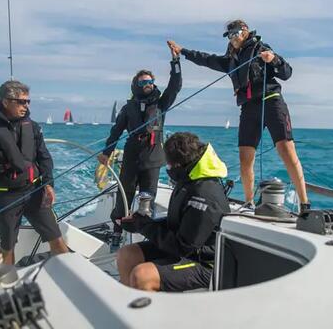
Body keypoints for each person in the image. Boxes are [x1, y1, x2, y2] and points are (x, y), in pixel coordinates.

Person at [167, 19, 310, 210]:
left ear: (245, 31)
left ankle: (304, 203)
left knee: (287, 151)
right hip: (249, 107)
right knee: (245, 156)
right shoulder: (230, 60)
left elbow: (287, 73)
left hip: (272, 101)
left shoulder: (260, 48)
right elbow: (206, 59)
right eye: (230, 36)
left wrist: (273, 59)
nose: (233, 38)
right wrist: (183, 51)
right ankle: (249, 201)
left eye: (235, 34)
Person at [0, 80, 68, 265]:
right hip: (6, 197)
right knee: (8, 247)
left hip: (35, 191)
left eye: (28, 101)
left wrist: (48, 184)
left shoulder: (32, 127)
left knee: (56, 238)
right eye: (21, 102)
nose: (26, 106)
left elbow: (44, 157)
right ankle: (9, 284)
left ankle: (70, 275)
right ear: (5, 102)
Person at [116, 132, 230, 292]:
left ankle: (146, 314)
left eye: (168, 165)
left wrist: (145, 227)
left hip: (207, 263)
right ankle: (127, 304)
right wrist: (139, 223)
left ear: (178, 165)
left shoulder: (204, 194)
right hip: (185, 249)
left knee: (142, 275)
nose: (167, 168)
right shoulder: (189, 178)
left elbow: (183, 247)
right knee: (126, 255)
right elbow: (177, 223)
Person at [98, 47, 182, 250]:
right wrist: (107, 152)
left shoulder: (162, 103)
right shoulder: (129, 108)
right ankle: (117, 232)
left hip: (153, 155)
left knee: (148, 198)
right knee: (124, 196)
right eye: (143, 82)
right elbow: (116, 130)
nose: (148, 85)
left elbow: (175, 86)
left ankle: (147, 237)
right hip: (132, 155)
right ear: (136, 84)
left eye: (150, 81)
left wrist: (175, 61)